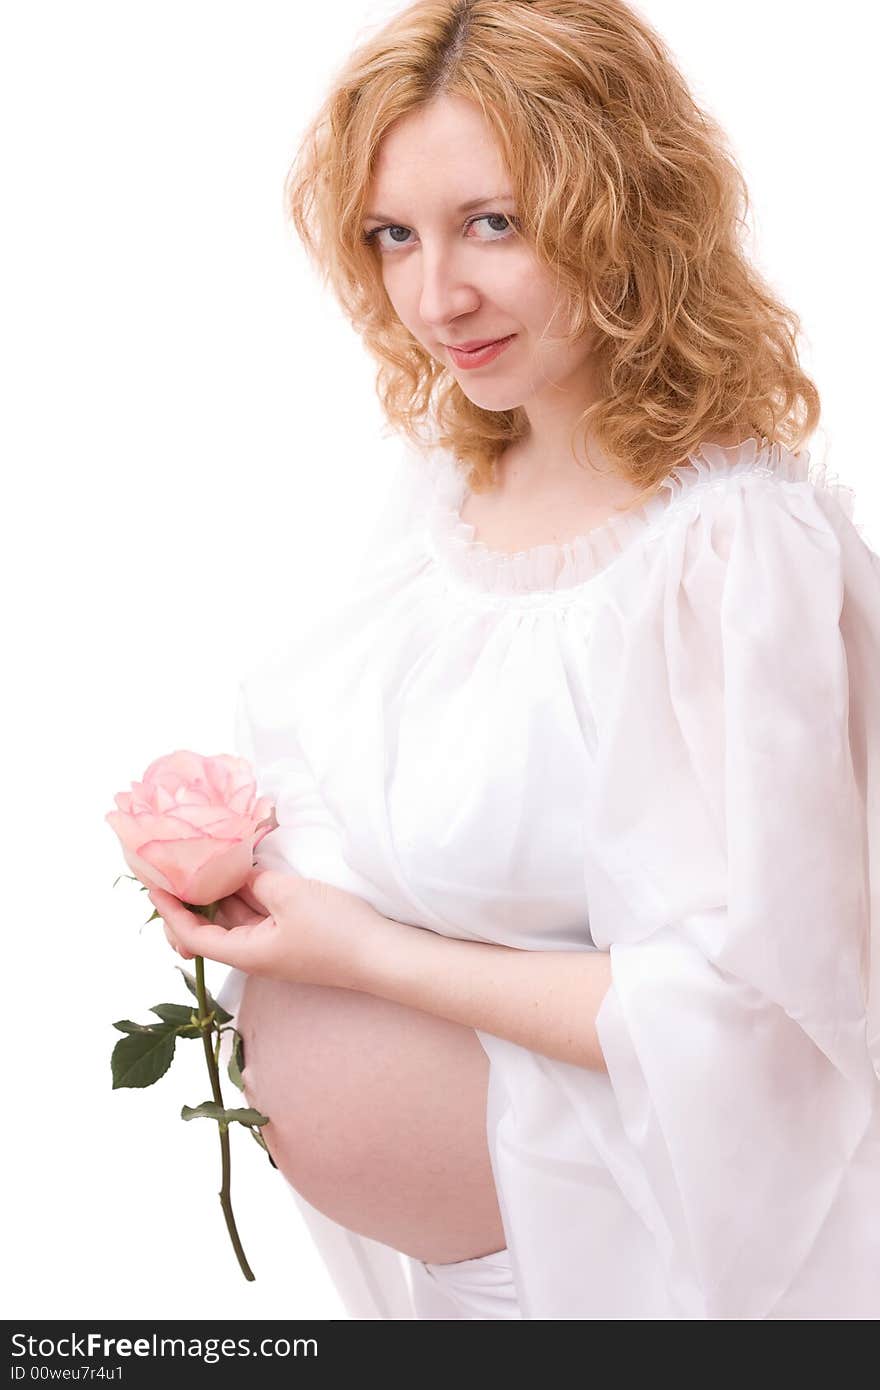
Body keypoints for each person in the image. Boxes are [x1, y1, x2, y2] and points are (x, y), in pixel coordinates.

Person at [151, 0, 880, 1319]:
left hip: (636, 1276)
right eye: (395, 235)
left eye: (494, 221)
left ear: (625, 209)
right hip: (464, 1286)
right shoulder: (444, 494)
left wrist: (359, 960)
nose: (438, 296)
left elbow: (758, 1017)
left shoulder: (733, 554)